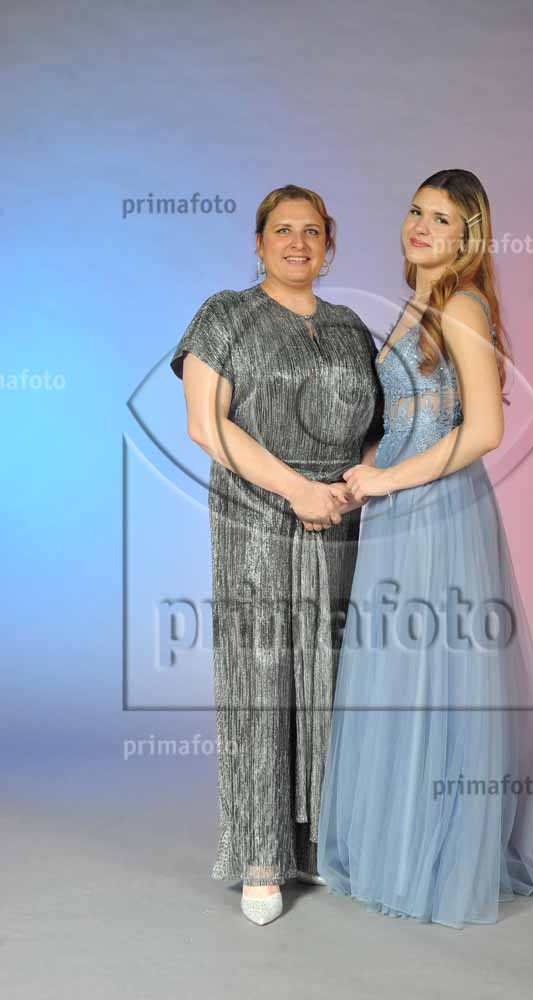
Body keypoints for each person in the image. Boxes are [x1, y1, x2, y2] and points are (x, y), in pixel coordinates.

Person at [316, 169, 533, 929]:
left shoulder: (461, 305)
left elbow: (486, 431)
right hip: (396, 504)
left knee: (432, 675)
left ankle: (435, 859)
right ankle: (397, 842)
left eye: (441, 218)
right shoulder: (415, 305)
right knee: (398, 672)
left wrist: (387, 479)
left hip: (437, 509)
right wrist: (356, 477)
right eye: (415, 211)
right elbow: (401, 418)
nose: (421, 227)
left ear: (468, 237)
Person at [170, 184, 383, 925]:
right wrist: (296, 489)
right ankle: (261, 853)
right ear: (258, 242)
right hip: (258, 512)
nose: (298, 243)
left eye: (312, 231)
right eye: (283, 230)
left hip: (339, 518)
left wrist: (349, 487)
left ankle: (324, 841)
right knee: (262, 673)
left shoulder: (351, 327)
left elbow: (376, 428)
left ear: (330, 244)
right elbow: (206, 425)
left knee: (333, 673)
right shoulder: (225, 314)